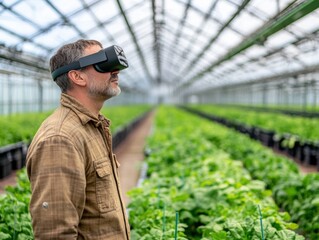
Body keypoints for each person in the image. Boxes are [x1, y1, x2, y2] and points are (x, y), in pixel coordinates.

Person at [26, 39, 130, 239]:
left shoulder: (92, 127)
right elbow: (56, 234)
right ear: (77, 76)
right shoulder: (60, 139)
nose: (116, 71)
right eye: (104, 64)